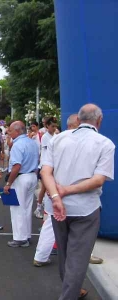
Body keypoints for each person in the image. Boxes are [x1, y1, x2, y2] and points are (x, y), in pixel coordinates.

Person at [41, 104, 115, 300]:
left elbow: (45, 172)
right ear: (99, 121)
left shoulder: (57, 139)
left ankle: (71, 289)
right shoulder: (105, 144)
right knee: (78, 259)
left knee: (65, 253)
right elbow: (98, 180)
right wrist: (66, 190)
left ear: (79, 119)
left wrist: (56, 196)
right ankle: (69, 294)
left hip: (57, 207)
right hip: (85, 208)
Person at [33, 114, 78, 267]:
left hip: (56, 187)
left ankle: (41, 256)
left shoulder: (57, 139)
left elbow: (47, 167)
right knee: (74, 224)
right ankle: (78, 257)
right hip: (63, 188)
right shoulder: (59, 140)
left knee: (51, 224)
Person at [3, 121, 39, 248]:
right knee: (27, 207)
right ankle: (26, 234)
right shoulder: (32, 143)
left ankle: (20, 238)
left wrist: (8, 183)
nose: (8, 132)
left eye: (11, 130)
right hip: (32, 175)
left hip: (21, 178)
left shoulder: (17, 145)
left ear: (18, 131)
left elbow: (17, 166)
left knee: (17, 208)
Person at [34, 117, 58, 219]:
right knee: (44, 188)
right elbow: (48, 152)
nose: (54, 128)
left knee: (50, 188)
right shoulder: (45, 137)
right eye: (52, 126)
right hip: (45, 166)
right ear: (47, 126)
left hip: (54, 166)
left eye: (55, 126)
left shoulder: (57, 136)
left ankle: (45, 209)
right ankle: (39, 208)